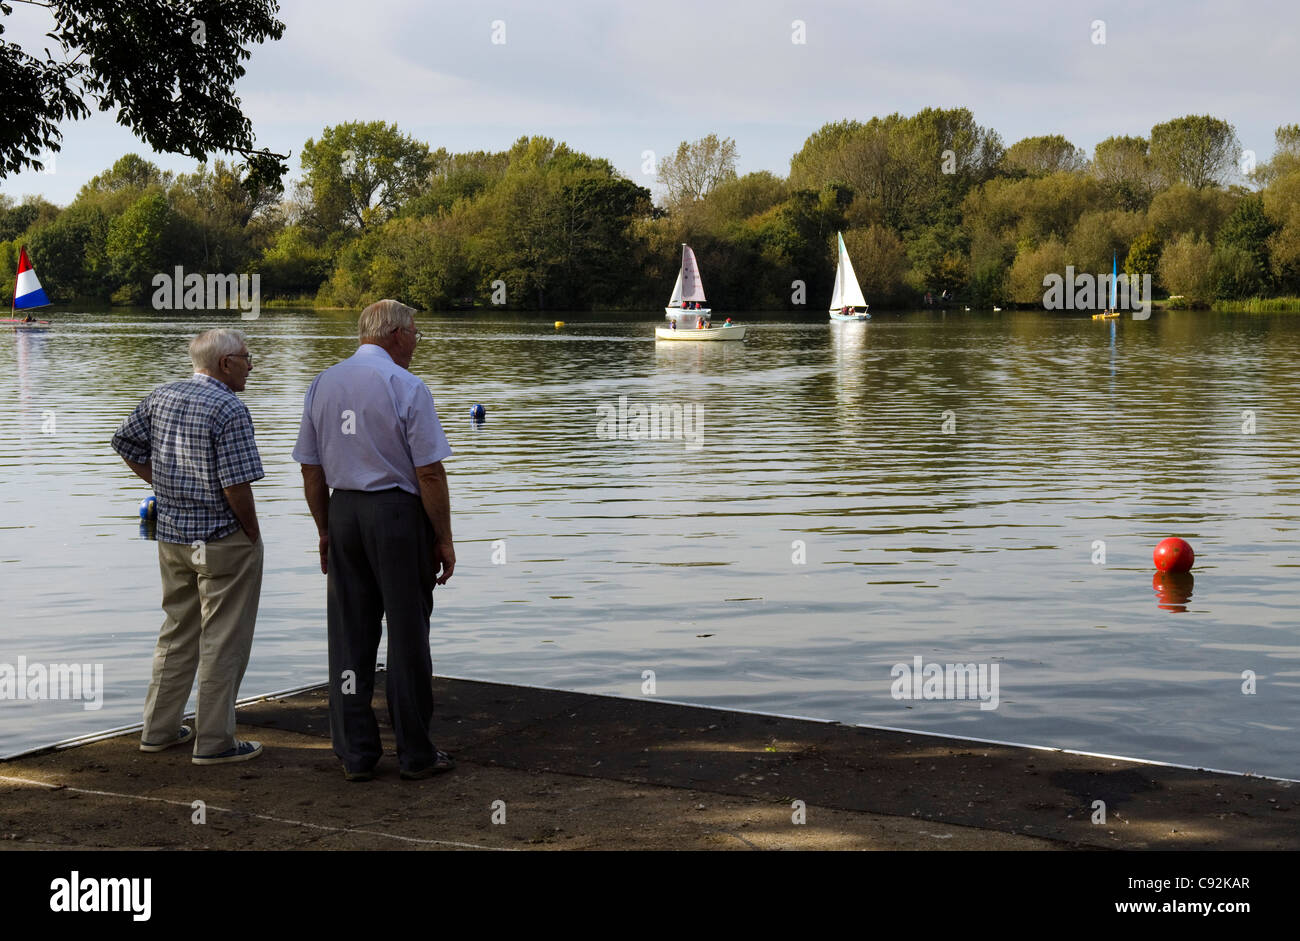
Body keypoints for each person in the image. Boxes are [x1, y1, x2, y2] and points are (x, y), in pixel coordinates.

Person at [293, 299, 456, 782]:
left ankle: (357, 753)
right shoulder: (405, 385)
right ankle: (415, 753)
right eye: (415, 335)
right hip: (396, 515)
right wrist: (444, 537)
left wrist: (324, 528)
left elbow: (310, 467)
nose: (416, 344)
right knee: (407, 636)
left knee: (349, 637)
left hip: (344, 510)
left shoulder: (323, 382)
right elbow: (428, 471)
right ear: (396, 334)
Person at [112, 329, 265, 765]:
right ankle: (214, 741)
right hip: (222, 539)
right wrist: (251, 533)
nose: (251, 365)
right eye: (246, 357)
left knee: (177, 632)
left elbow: (123, 441)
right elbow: (236, 484)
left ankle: (158, 730)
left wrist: (161, 484)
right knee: (223, 639)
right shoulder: (229, 408)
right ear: (225, 364)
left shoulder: (161, 395)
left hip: (174, 536)